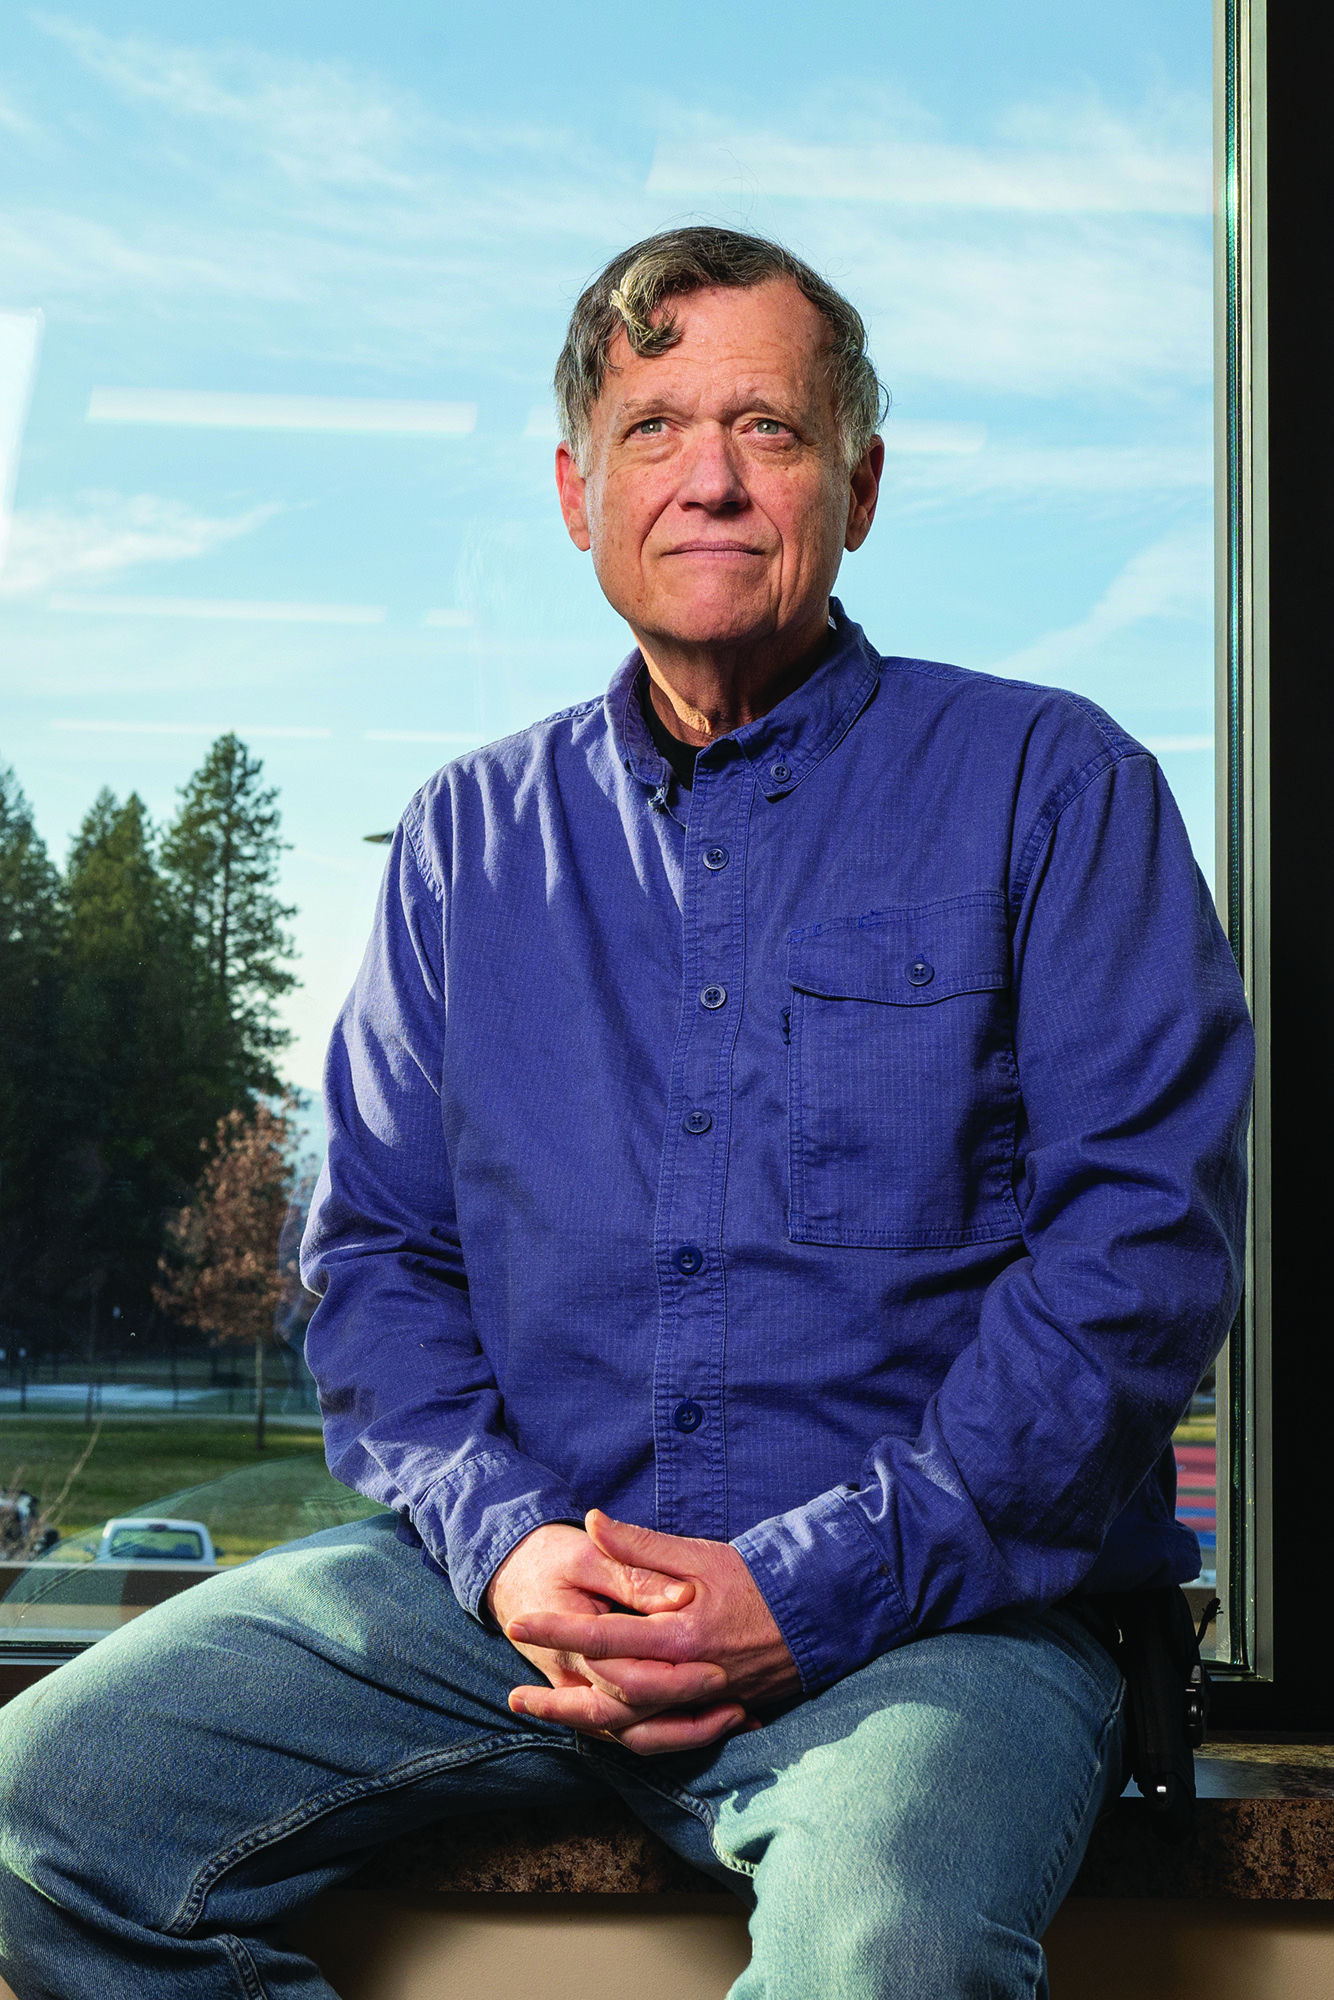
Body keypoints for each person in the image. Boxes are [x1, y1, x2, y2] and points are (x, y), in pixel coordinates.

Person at [0, 227, 1252, 1999]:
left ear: (860, 484)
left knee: (882, 1951)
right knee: (44, 1812)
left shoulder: (1058, 792)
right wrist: (508, 1546)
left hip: (939, 1627)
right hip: (508, 1604)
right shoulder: (462, 842)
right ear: (578, 489)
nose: (713, 479)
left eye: (769, 426)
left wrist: (804, 1589)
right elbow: (374, 1258)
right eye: (657, 428)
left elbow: (1135, 1266)